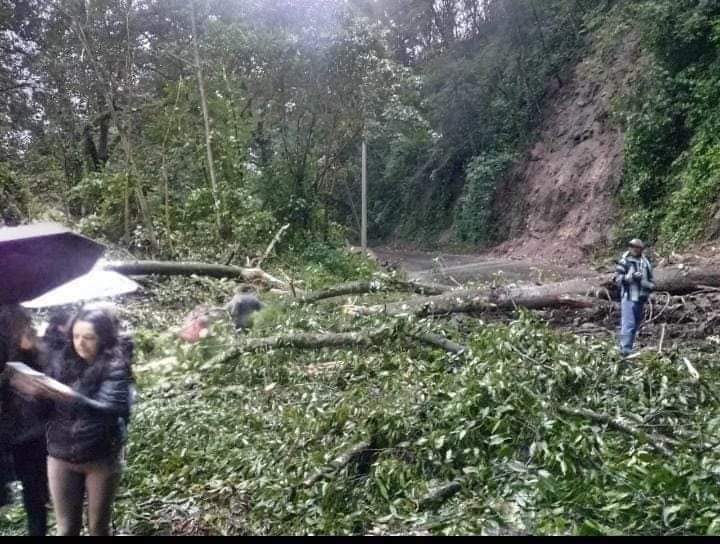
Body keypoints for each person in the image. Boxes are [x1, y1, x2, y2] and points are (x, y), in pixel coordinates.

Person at [21, 306, 134, 536]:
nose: (80, 343)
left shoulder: (116, 365)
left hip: (100, 457)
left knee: (97, 527)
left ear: (102, 338)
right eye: (76, 336)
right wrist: (35, 393)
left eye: (89, 338)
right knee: (66, 529)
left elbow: (113, 408)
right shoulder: (61, 360)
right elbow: (47, 410)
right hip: (60, 454)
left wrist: (70, 396)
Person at [0, 304, 51, 536]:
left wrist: (32, 352)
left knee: (34, 498)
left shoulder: (33, 346)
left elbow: (51, 383)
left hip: (30, 432)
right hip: (13, 431)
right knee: (32, 498)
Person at [615, 238, 655, 356]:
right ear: (630, 248)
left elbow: (651, 279)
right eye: (633, 247)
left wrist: (650, 287)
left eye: (638, 248)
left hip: (641, 297)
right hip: (629, 297)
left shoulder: (646, 262)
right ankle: (625, 351)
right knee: (629, 324)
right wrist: (631, 277)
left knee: (636, 324)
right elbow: (617, 279)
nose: (635, 249)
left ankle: (630, 348)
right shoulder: (624, 262)